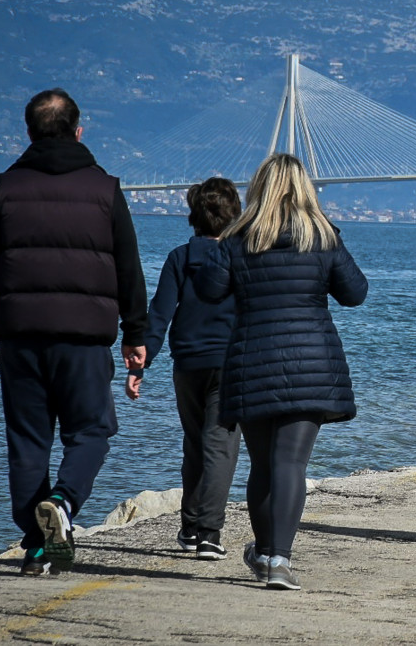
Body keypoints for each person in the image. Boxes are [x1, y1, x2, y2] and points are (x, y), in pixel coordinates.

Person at [0, 89, 147, 575]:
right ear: (79, 131)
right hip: (85, 339)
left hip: (20, 338)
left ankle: (37, 545)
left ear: (29, 133)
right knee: (92, 430)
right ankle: (64, 500)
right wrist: (136, 333)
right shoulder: (106, 190)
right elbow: (129, 268)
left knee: (28, 441)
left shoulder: (5, 188)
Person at [195, 153, 368, 591]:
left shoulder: (238, 239)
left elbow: (209, 290)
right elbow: (355, 293)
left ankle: (264, 549)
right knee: (290, 463)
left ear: (258, 190)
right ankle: (279, 560)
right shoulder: (324, 237)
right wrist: (333, 240)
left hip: (252, 362)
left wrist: (226, 247)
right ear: (305, 190)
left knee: (261, 467)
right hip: (311, 363)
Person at [135, 177, 243, 561]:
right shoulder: (243, 256)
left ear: (193, 216)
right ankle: (209, 534)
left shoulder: (180, 258)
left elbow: (160, 314)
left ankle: (189, 527)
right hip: (230, 365)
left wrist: (141, 361)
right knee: (221, 447)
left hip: (187, 366)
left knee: (195, 445)